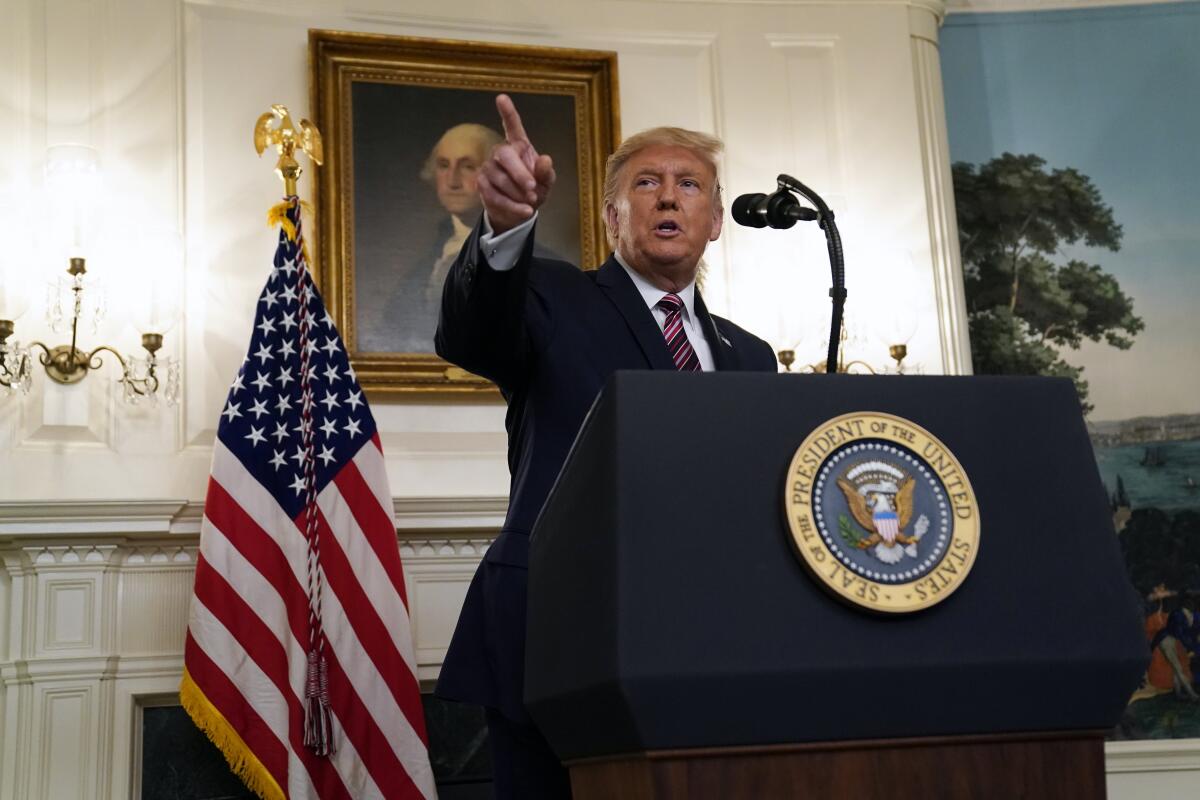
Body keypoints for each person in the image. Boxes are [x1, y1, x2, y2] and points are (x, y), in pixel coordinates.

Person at [433, 94, 777, 798]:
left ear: (714, 222)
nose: (668, 198)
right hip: (557, 639)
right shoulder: (554, 298)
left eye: (690, 185)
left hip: (709, 645)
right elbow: (471, 331)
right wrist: (505, 228)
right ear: (612, 215)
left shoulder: (752, 356)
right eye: (646, 183)